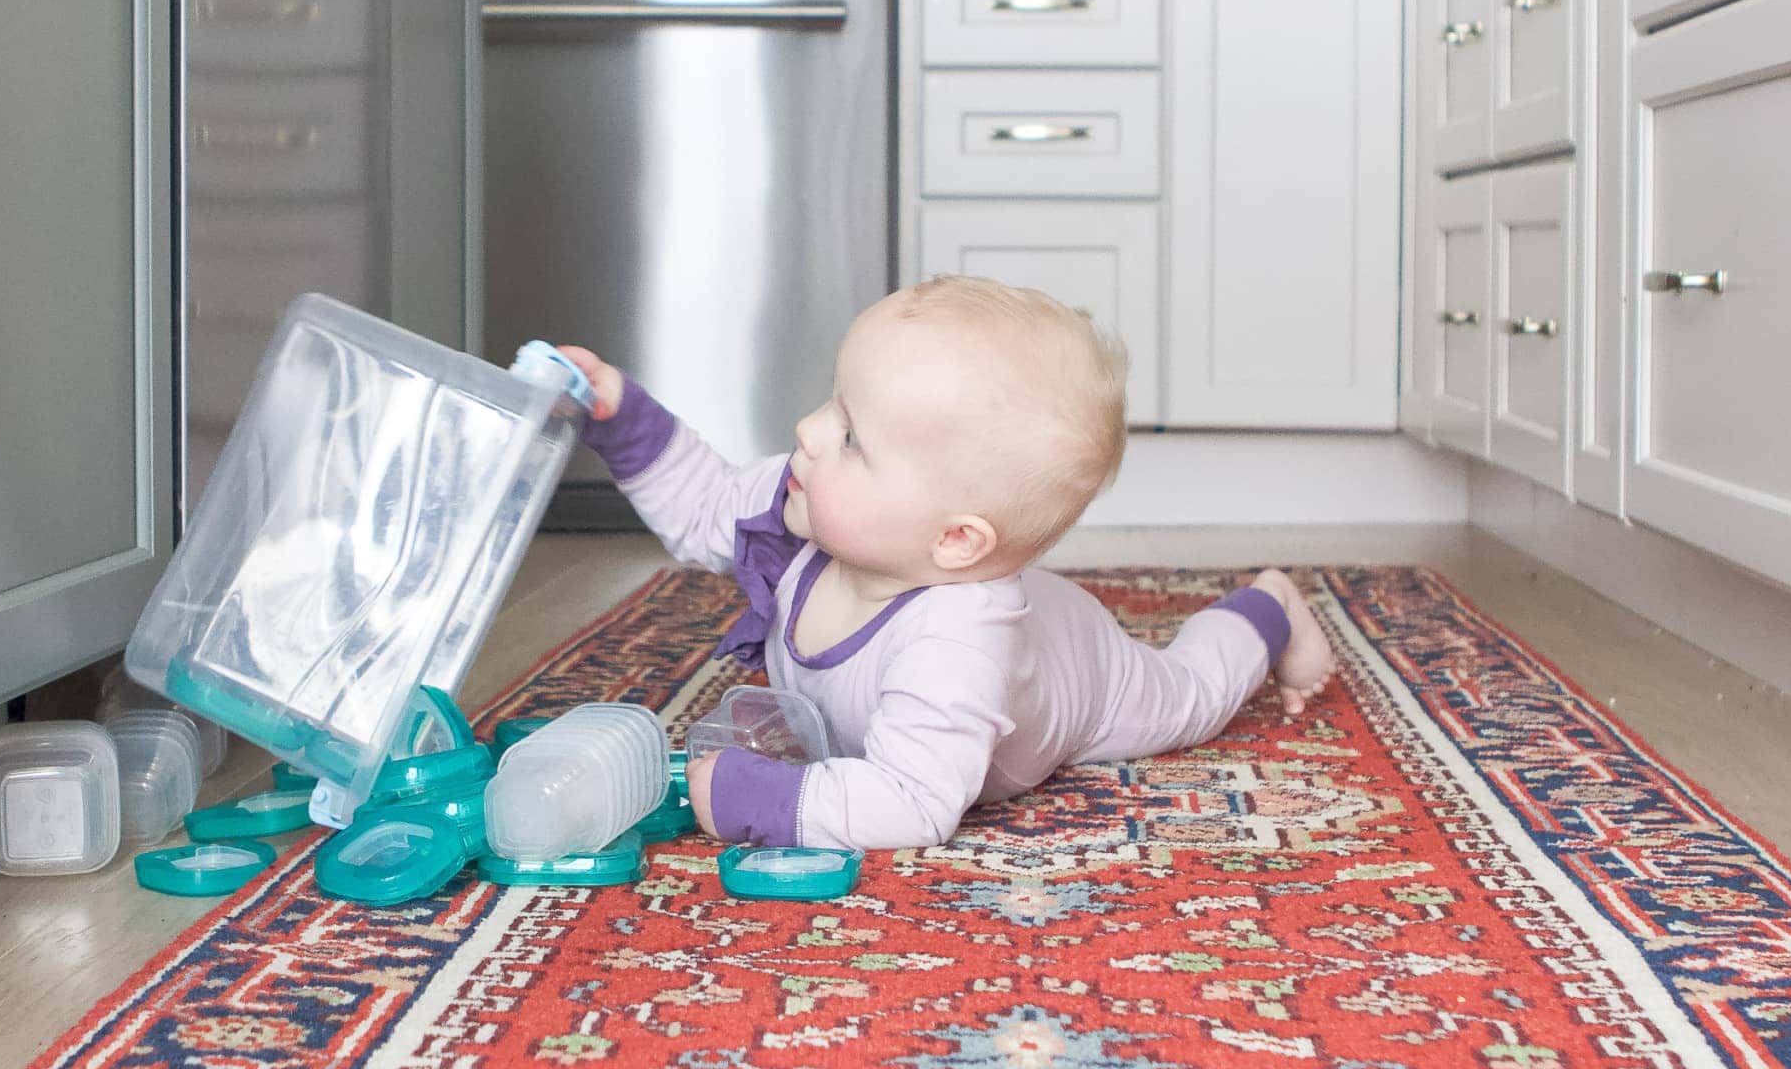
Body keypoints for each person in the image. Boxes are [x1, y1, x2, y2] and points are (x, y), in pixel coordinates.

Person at [556, 275, 1334, 853]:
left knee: (1191, 697)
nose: (809, 429)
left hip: (1078, 674)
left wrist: (757, 798)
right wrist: (619, 413)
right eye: (834, 403)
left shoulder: (955, 644)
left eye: (853, 436)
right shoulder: (808, 501)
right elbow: (704, 505)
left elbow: (915, 801)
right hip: (993, 602)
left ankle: (1268, 609)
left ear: (956, 541)